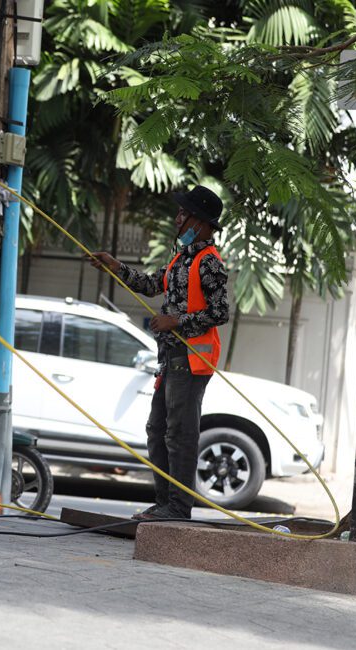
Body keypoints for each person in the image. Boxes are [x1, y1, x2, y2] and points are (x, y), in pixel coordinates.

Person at [87, 186, 229, 521]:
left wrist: (175, 321)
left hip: (192, 361)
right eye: (179, 213)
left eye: (185, 214)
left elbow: (220, 312)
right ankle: (166, 504)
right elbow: (152, 284)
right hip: (171, 360)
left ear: (203, 223)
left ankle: (177, 508)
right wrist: (115, 267)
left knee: (180, 434)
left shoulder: (209, 263)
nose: (178, 219)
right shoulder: (182, 258)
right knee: (158, 429)